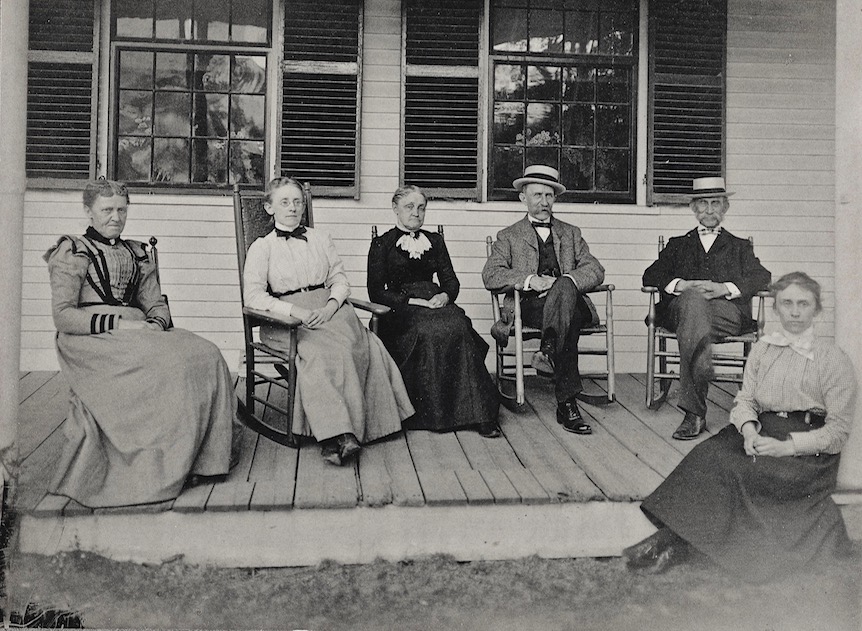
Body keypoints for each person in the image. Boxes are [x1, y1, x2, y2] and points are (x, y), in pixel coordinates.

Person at [623, 272, 857, 581]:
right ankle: (674, 542)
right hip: (762, 431)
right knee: (707, 454)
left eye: (804, 304)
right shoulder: (763, 349)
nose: (795, 311)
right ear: (776, 308)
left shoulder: (832, 359)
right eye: (787, 303)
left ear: (816, 309)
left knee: (735, 469)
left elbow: (837, 433)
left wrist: (787, 447)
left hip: (807, 449)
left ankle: (670, 543)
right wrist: (748, 430)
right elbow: (746, 400)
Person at [44, 180, 238, 508]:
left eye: (122, 209)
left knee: (207, 353)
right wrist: (119, 323)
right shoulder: (72, 250)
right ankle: (163, 464)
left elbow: (155, 304)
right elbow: (63, 316)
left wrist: (154, 324)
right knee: (172, 364)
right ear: (88, 211)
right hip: (89, 338)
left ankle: (205, 459)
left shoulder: (136, 251)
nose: (115, 217)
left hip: (138, 331)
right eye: (107, 210)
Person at [243, 176, 414, 465]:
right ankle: (337, 435)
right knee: (319, 354)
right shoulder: (263, 247)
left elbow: (339, 280)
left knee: (363, 345)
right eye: (284, 202)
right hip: (285, 318)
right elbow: (253, 297)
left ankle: (363, 428)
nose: (293, 208)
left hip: (330, 309)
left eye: (297, 201)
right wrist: (295, 312)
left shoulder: (320, 239)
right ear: (269, 208)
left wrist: (332, 304)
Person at [642, 176, 771, 440]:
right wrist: (683, 285)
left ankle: (694, 414)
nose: (710, 210)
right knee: (692, 303)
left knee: (693, 314)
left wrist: (725, 288)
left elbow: (762, 276)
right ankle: (696, 397)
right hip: (683, 312)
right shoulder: (678, 245)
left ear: (725, 208)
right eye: (703, 204)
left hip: (726, 314)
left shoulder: (739, 247)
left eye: (716, 203)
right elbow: (650, 275)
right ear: (693, 208)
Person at [367, 186, 501, 438]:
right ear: (395, 209)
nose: (416, 213)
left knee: (460, 327)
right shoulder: (382, 244)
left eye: (421, 208)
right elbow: (376, 292)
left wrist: (445, 296)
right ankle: (432, 413)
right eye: (409, 207)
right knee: (428, 331)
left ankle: (480, 413)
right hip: (401, 309)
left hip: (436, 301)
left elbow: (451, 281)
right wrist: (412, 302)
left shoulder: (435, 242)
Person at [482, 165, 605, 434]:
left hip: (573, 301)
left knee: (566, 297)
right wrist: (530, 280)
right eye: (537, 195)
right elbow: (491, 275)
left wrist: (567, 281)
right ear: (522, 198)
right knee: (567, 320)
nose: (544, 202)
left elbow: (595, 269)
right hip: (533, 304)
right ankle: (567, 404)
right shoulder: (509, 236)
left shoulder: (571, 233)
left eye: (549, 196)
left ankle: (548, 349)